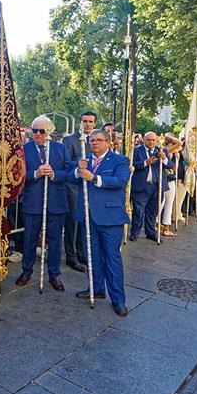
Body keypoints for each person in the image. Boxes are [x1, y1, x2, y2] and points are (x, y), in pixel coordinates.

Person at [69, 129, 130, 316]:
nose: (94, 143)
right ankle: (96, 289)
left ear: (108, 142)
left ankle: (118, 300)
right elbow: (71, 178)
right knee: (92, 256)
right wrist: (79, 172)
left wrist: (94, 178)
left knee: (112, 258)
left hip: (110, 217)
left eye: (99, 140)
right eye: (92, 140)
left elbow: (120, 181)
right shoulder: (85, 159)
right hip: (88, 216)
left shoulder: (120, 160)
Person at [16, 115, 72, 291]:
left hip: (56, 201)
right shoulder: (24, 150)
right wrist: (36, 174)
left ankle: (54, 274)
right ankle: (27, 270)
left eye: (42, 131)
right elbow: (18, 174)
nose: (38, 134)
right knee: (30, 239)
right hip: (33, 202)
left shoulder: (60, 148)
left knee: (55, 240)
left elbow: (69, 172)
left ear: (49, 132)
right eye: (35, 131)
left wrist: (54, 174)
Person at [61, 111, 97, 272]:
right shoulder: (70, 140)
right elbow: (66, 163)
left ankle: (82, 253)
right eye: (85, 121)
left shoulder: (96, 140)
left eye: (90, 121)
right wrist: (80, 163)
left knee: (84, 222)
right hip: (74, 188)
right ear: (80, 122)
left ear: (94, 123)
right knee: (72, 223)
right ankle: (71, 256)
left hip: (90, 188)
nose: (87, 124)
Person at [129, 131, 172, 241]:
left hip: (157, 186)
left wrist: (164, 158)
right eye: (149, 140)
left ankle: (150, 232)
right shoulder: (136, 151)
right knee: (138, 211)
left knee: (153, 211)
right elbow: (132, 164)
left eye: (153, 140)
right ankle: (135, 232)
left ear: (157, 140)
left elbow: (171, 165)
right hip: (141, 185)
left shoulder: (162, 151)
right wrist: (145, 162)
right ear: (143, 140)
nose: (151, 142)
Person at [160, 136, 183, 236]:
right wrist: (170, 137)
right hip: (163, 179)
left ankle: (166, 226)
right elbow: (179, 143)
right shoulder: (164, 150)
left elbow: (174, 169)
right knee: (161, 203)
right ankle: (156, 223)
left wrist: (177, 159)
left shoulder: (173, 155)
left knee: (169, 203)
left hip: (171, 179)